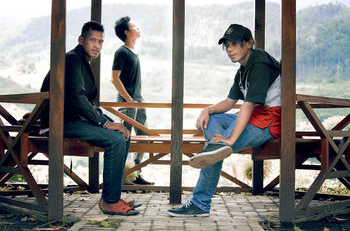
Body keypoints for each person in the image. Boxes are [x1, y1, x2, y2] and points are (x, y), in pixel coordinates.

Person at [167, 24, 281, 217]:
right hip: (253, 117)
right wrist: (207, 110)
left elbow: (248, 104)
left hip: (268, 122)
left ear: (249, 43)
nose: (229, 49)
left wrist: (230, 139)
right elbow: (230, 102)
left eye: (235, 44)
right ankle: (215, 149)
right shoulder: (243, 69)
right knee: (212, 121)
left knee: (217, 147)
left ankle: (200, 202)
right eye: (227, 45)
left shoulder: (259, 63)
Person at [40, 21, 141, 216]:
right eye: (93, 40)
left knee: (124, 134)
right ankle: (110, 202)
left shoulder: (83, 62)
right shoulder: (72, 59)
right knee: (115, 139)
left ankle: (111, 197)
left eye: (101, 42)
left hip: (74, 120)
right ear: (81, 40)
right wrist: (106, 123)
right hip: (59, 123)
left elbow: (88, 103)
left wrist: (113, 122)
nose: (97, 46)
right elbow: (77, 100)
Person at [111, 16, 154, 185]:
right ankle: (122, 177)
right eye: (134, 26)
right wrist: (129, 100)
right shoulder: (121, 52)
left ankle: (135, 174)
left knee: (144, 135)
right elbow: (115, 78)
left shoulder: (134, 52)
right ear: (126, 32)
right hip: (128, 103)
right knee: (125, 138)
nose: (138, 27)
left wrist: (137, 101)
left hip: (138, 101)